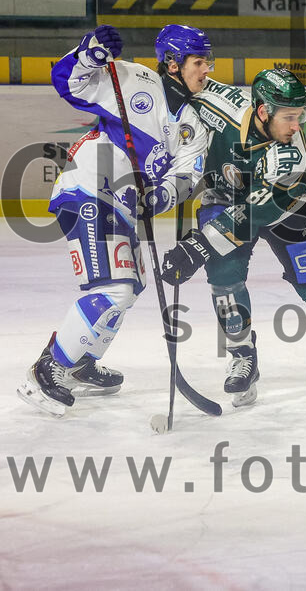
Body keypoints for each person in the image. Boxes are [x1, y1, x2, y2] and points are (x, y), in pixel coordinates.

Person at [16, 24, 213, 417]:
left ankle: (79, 362)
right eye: (198, 62)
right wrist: (90, 52)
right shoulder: (131, 79)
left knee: (130, 288)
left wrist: (159, 196)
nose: (206, 69)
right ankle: (48, 369)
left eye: (208, 61)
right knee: (116, 289)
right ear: (172, 64)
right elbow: (67, 82)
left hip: (121, 207)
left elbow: (187, 173)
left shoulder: (193, 119)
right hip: (89, 191)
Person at [158, 69, 306, 406]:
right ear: (263, 111)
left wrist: (197, 247)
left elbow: (258, 211)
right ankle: (243, 356)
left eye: (300, 116)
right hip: (223, 198)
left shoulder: (291, 153)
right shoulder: (220, 104)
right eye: (289, 117)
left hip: (284, 208)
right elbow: (180, 82)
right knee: (224, 281)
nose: (297, 127)